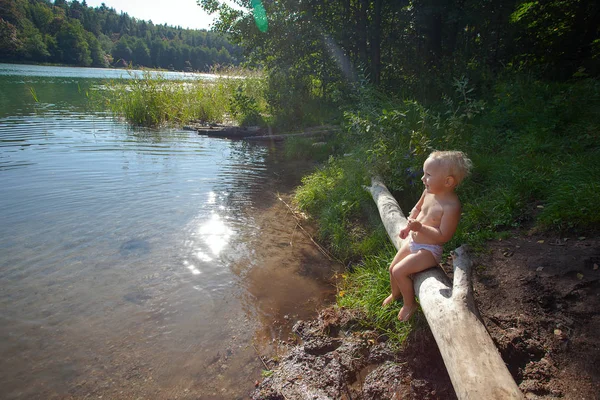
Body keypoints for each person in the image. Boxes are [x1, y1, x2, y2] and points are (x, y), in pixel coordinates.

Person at [382, 150, 472, 321]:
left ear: (448, 181)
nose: (423, 179)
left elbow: (444, 236)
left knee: (400, 271)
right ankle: (395, 294)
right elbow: (417, 209)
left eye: (428, 175)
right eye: (424, 174)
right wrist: (410, 225)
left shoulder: (451, 206)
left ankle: (410, 304)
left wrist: (420, 227)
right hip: (414, 241)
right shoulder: (428, 192)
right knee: (392, 269)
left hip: (430, 250)